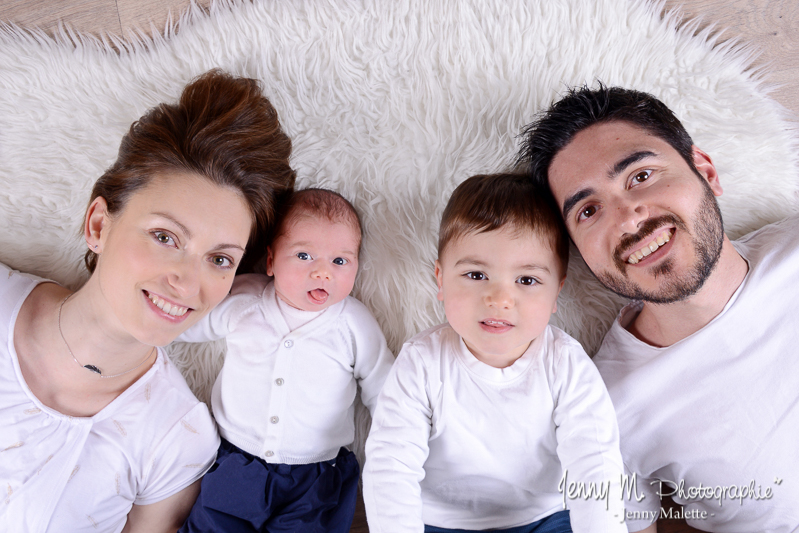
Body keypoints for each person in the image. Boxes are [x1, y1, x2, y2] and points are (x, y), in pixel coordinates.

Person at [0, 69, 296, 533]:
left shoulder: (176, 440)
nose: (186, 281)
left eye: (219, 259)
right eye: (165, 236)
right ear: (99, 224)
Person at [519, 85, 799, 532]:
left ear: (706, 171)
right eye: (589, 211)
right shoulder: (602, 411)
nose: (628, 218)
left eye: (641, 176)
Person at [363, 173, 626, 533]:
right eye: (475, 275)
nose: (500, 299)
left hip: (544, 516)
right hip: (437, 520)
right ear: (440, 280)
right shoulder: (422, 362)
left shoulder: (565, 364)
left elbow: (595, 464)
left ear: (555, 292)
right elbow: (390, 467)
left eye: (527, 280)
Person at [177, 188, 395, 533]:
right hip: (237, 459)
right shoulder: (245, 300)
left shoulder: (353, 323)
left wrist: (402, 437)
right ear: (270, 261)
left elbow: (382, 385)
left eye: (340, 261)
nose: (323, 272)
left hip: (316, 476)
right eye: (304, 255)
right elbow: (184, 324)